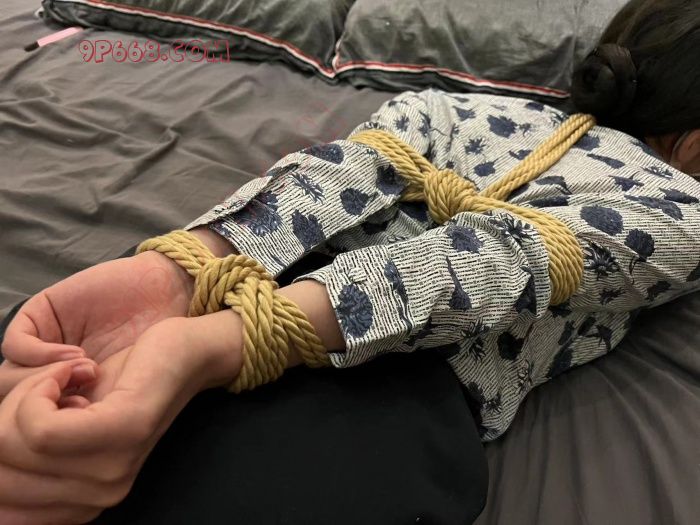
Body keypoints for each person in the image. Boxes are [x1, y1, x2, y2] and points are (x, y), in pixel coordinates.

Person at [0, 0, 699, 522]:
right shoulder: (684, 206)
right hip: (404, 378)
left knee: (41, 400)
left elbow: (339, 171)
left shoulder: (458, 104)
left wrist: (182, 269)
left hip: (249, 268)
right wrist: (221, 337)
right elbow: (494, 263)